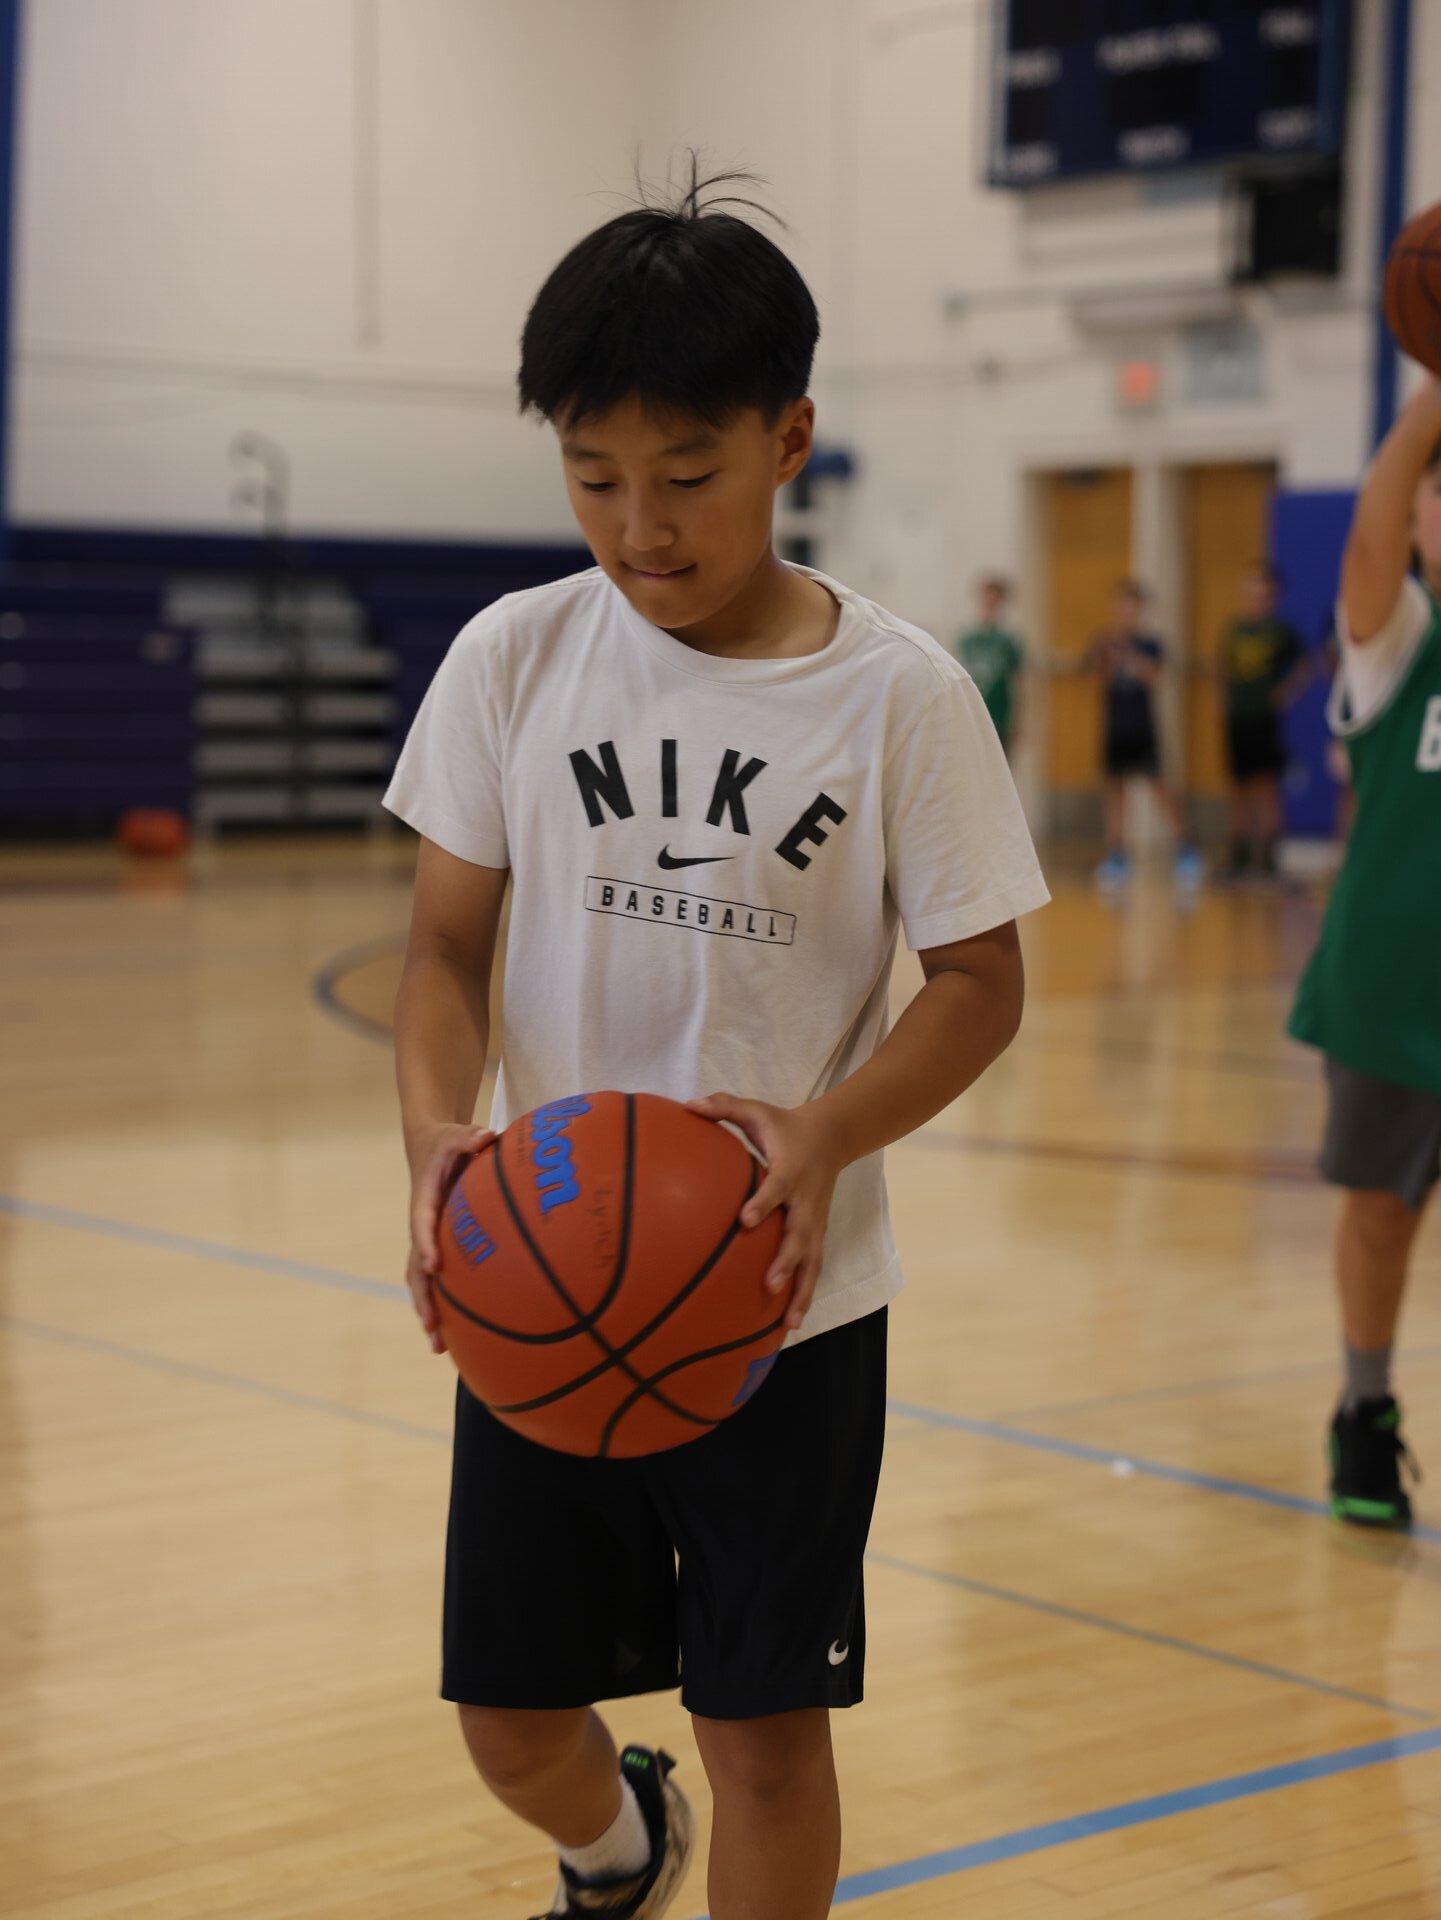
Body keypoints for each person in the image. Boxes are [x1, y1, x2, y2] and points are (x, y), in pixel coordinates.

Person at [384, 167, 1049, 1920]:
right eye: (594, 477)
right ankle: (620, 1851)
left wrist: (829, 1133)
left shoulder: (899, 696)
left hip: (779, 1299)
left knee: (763, 1732)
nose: (641, 527)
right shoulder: (514, 658)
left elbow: (980, 984)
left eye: (687, 476)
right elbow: (442, 949)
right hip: (548, 1268)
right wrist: (434, 1135)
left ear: (788, 440)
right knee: (511, 1719)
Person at [1288, 377, 1441, 1531]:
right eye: (1435, 493)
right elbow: (1368, 540)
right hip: (1394, 990)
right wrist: (1431, 386)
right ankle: (1363, 1407)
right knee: (1380, 1212)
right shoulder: (1401, 643)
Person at [1083, 581, 1202, 889]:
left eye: (1133, 607)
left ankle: (1186, 848)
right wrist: (1105, 663)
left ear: (1141, 610)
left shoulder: (1150, 644)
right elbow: (1096, 685)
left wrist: (1128, 657)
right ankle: (1117, 855)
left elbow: (1154, 677)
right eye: (1122, 606)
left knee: (1161, 788)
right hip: (1115, 727)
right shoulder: (1103, 642)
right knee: (1116, 791)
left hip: (1144, 727)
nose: (1127, 613)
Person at [1218, 562, 1309, 882]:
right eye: (1251, 590)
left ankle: (1269, 860)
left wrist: (1286, 692)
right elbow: (1223, 666)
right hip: (1237, 717)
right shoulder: (1234, 629)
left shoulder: (1280, 631)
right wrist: (1225, 699)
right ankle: (1239, 858)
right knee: (1237, 787)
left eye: (1262, 592)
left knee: (1266, 786)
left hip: (1265, 718)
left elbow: (1305, 665)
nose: (1256, 598)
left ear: (1272, 596)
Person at [954, 575, 1025, 756]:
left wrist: (1019, 721)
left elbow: (1020, 682)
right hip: (973, 716)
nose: (989, 605)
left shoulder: (1008, 641)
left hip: (1000, 719)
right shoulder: (967, 639)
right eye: (986, 600)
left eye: (994, 601)